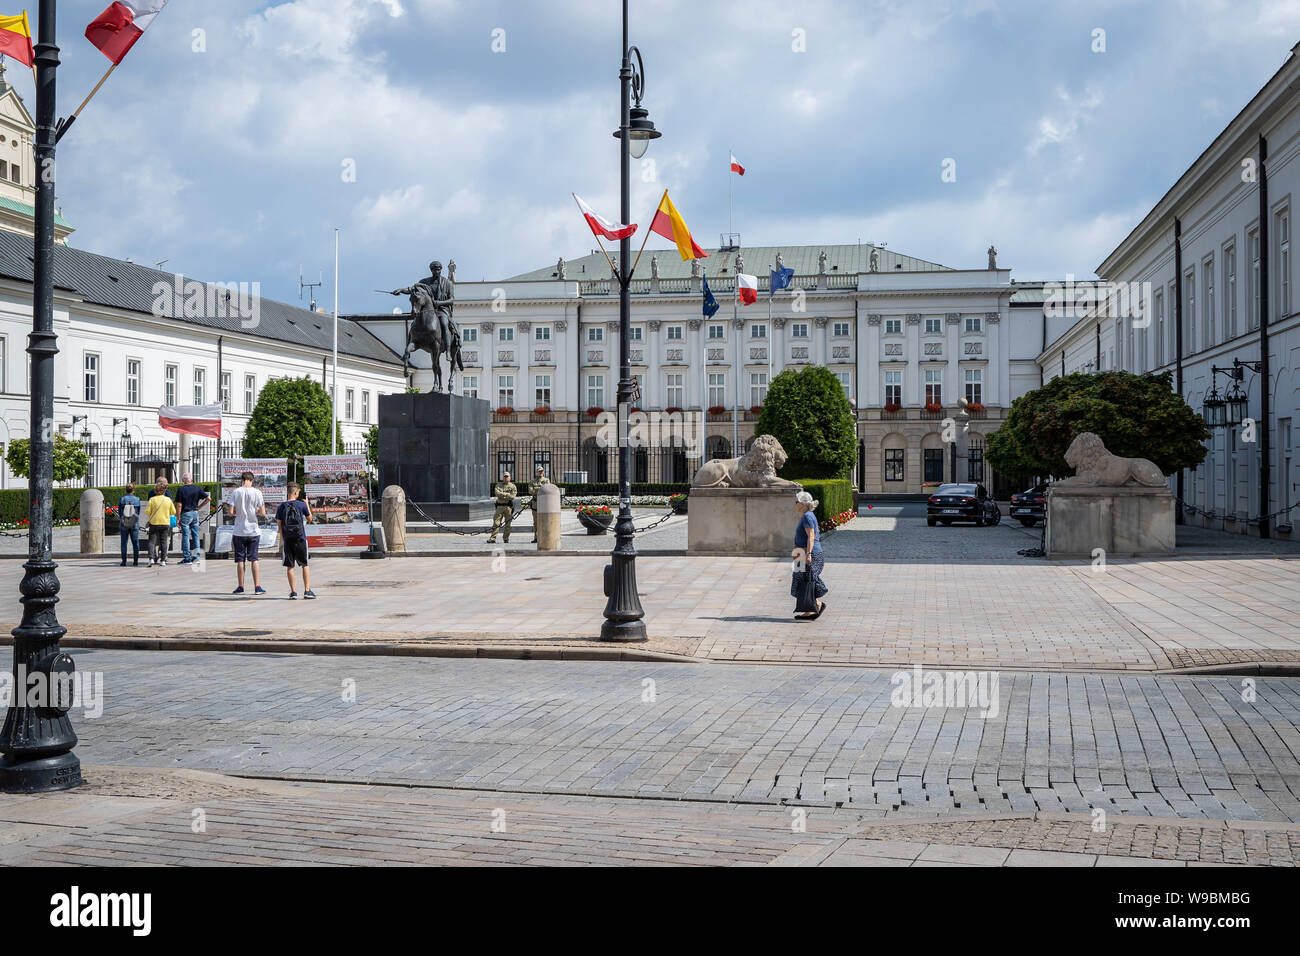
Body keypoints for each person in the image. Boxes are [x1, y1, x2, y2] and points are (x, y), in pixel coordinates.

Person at [225, 470, 266, 595]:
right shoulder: (257, 492)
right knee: (254, 559)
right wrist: (257, 510)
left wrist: (239, 512)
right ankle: (257, 586)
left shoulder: (236, 492)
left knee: (240, 559)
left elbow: (230, 512)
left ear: (242, 480)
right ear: (252, 480)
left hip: (239, 530)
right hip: (253, 529)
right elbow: (263, 513)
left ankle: (240, 586)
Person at [791, 490, 828, 620]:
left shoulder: (807, 516)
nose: (795, 504)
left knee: (807, 580)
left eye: (797, 502)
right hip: (800, 552)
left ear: (803, 503)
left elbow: (811, 536)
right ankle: (809, 609)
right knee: (802, 580)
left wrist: (808, 554)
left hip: (807, 552)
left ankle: (816, 605)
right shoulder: (807, 515)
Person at [275, 482, 315, 600]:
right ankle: (307, 590)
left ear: (287, 492)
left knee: (290, 566)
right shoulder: (301, 505)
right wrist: (307, 504)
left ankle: (293, 592)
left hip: (288, 539)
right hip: (300, 538)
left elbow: (279, 524)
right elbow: (310, 519)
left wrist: (282, 538)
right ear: (296, 493)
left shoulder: (281, 506)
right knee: (304, 564)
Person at [174, 472, 210, 565]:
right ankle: (196, 557)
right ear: (191, 480)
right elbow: (209, 498)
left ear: (183, 480)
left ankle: (187, 558)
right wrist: (199, 507)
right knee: (195, 535)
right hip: (195, 513)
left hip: (186, 513)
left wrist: (177, 518)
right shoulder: (197, 488)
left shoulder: (181, 489)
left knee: (185, 536)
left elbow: (179, 505)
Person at [144, 478, 176, 567]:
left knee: (151, 542)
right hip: (165, 523)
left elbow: (147, 512)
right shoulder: (168, 500)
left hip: (154, 523)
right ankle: (163, 560)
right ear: (164, 490)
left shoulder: (152, 499)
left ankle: (151, 559)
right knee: (164, 542)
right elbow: (173, 512)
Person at [487, 471, 517, 544]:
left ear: (510, 477)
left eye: (507, 476)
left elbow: (512, 497)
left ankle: (506, 538)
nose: (506, 478)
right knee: (496, 523)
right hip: (499, 507)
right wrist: (506, 494)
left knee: (508, 524)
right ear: (503, 477)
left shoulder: (513, 486)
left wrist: (502, 495)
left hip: (508, 507)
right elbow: (497, 494)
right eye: (505, 476)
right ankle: (493, 538)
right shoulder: (498, 485)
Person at [118, 483, 142, 567]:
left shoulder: (122, 499)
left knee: (124, 542)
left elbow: (120, 512)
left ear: (126, 490)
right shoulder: (137, 499)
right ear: (133, 490)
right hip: (134, 523)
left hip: (124, 523)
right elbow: (138, 512)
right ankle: (135, 561)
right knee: (135, 542)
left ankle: (124, 561)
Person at [528, 465, 549, 543]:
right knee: (536, 522)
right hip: (535, 504)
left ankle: (544, 537)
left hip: (544, 503)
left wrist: (536, 489)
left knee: (544, 521)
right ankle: (536, 538)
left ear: (543, 472)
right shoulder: (532, 481)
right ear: (537, 472)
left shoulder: (546, 480)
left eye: (542, 471)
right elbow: (530, 491)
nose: (540, 472)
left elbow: (547, 490)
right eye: (539, 471)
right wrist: (541, 488)